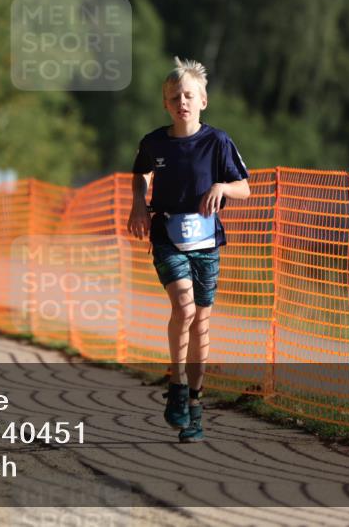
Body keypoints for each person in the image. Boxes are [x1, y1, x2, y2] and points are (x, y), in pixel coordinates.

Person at [127, 57, 250, 443]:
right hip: (167, 233)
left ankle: (195, 406)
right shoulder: (154, 142)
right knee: (184, 307)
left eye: (189, 95)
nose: (182, 101)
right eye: (174, 96)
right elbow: (141, 172)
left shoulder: (218, 142)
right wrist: (138, 202)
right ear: (166, 104)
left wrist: (222, 188)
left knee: (201, 323)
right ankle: (177, 381)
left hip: (207, 242)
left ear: (203, 101)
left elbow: (244, 186)